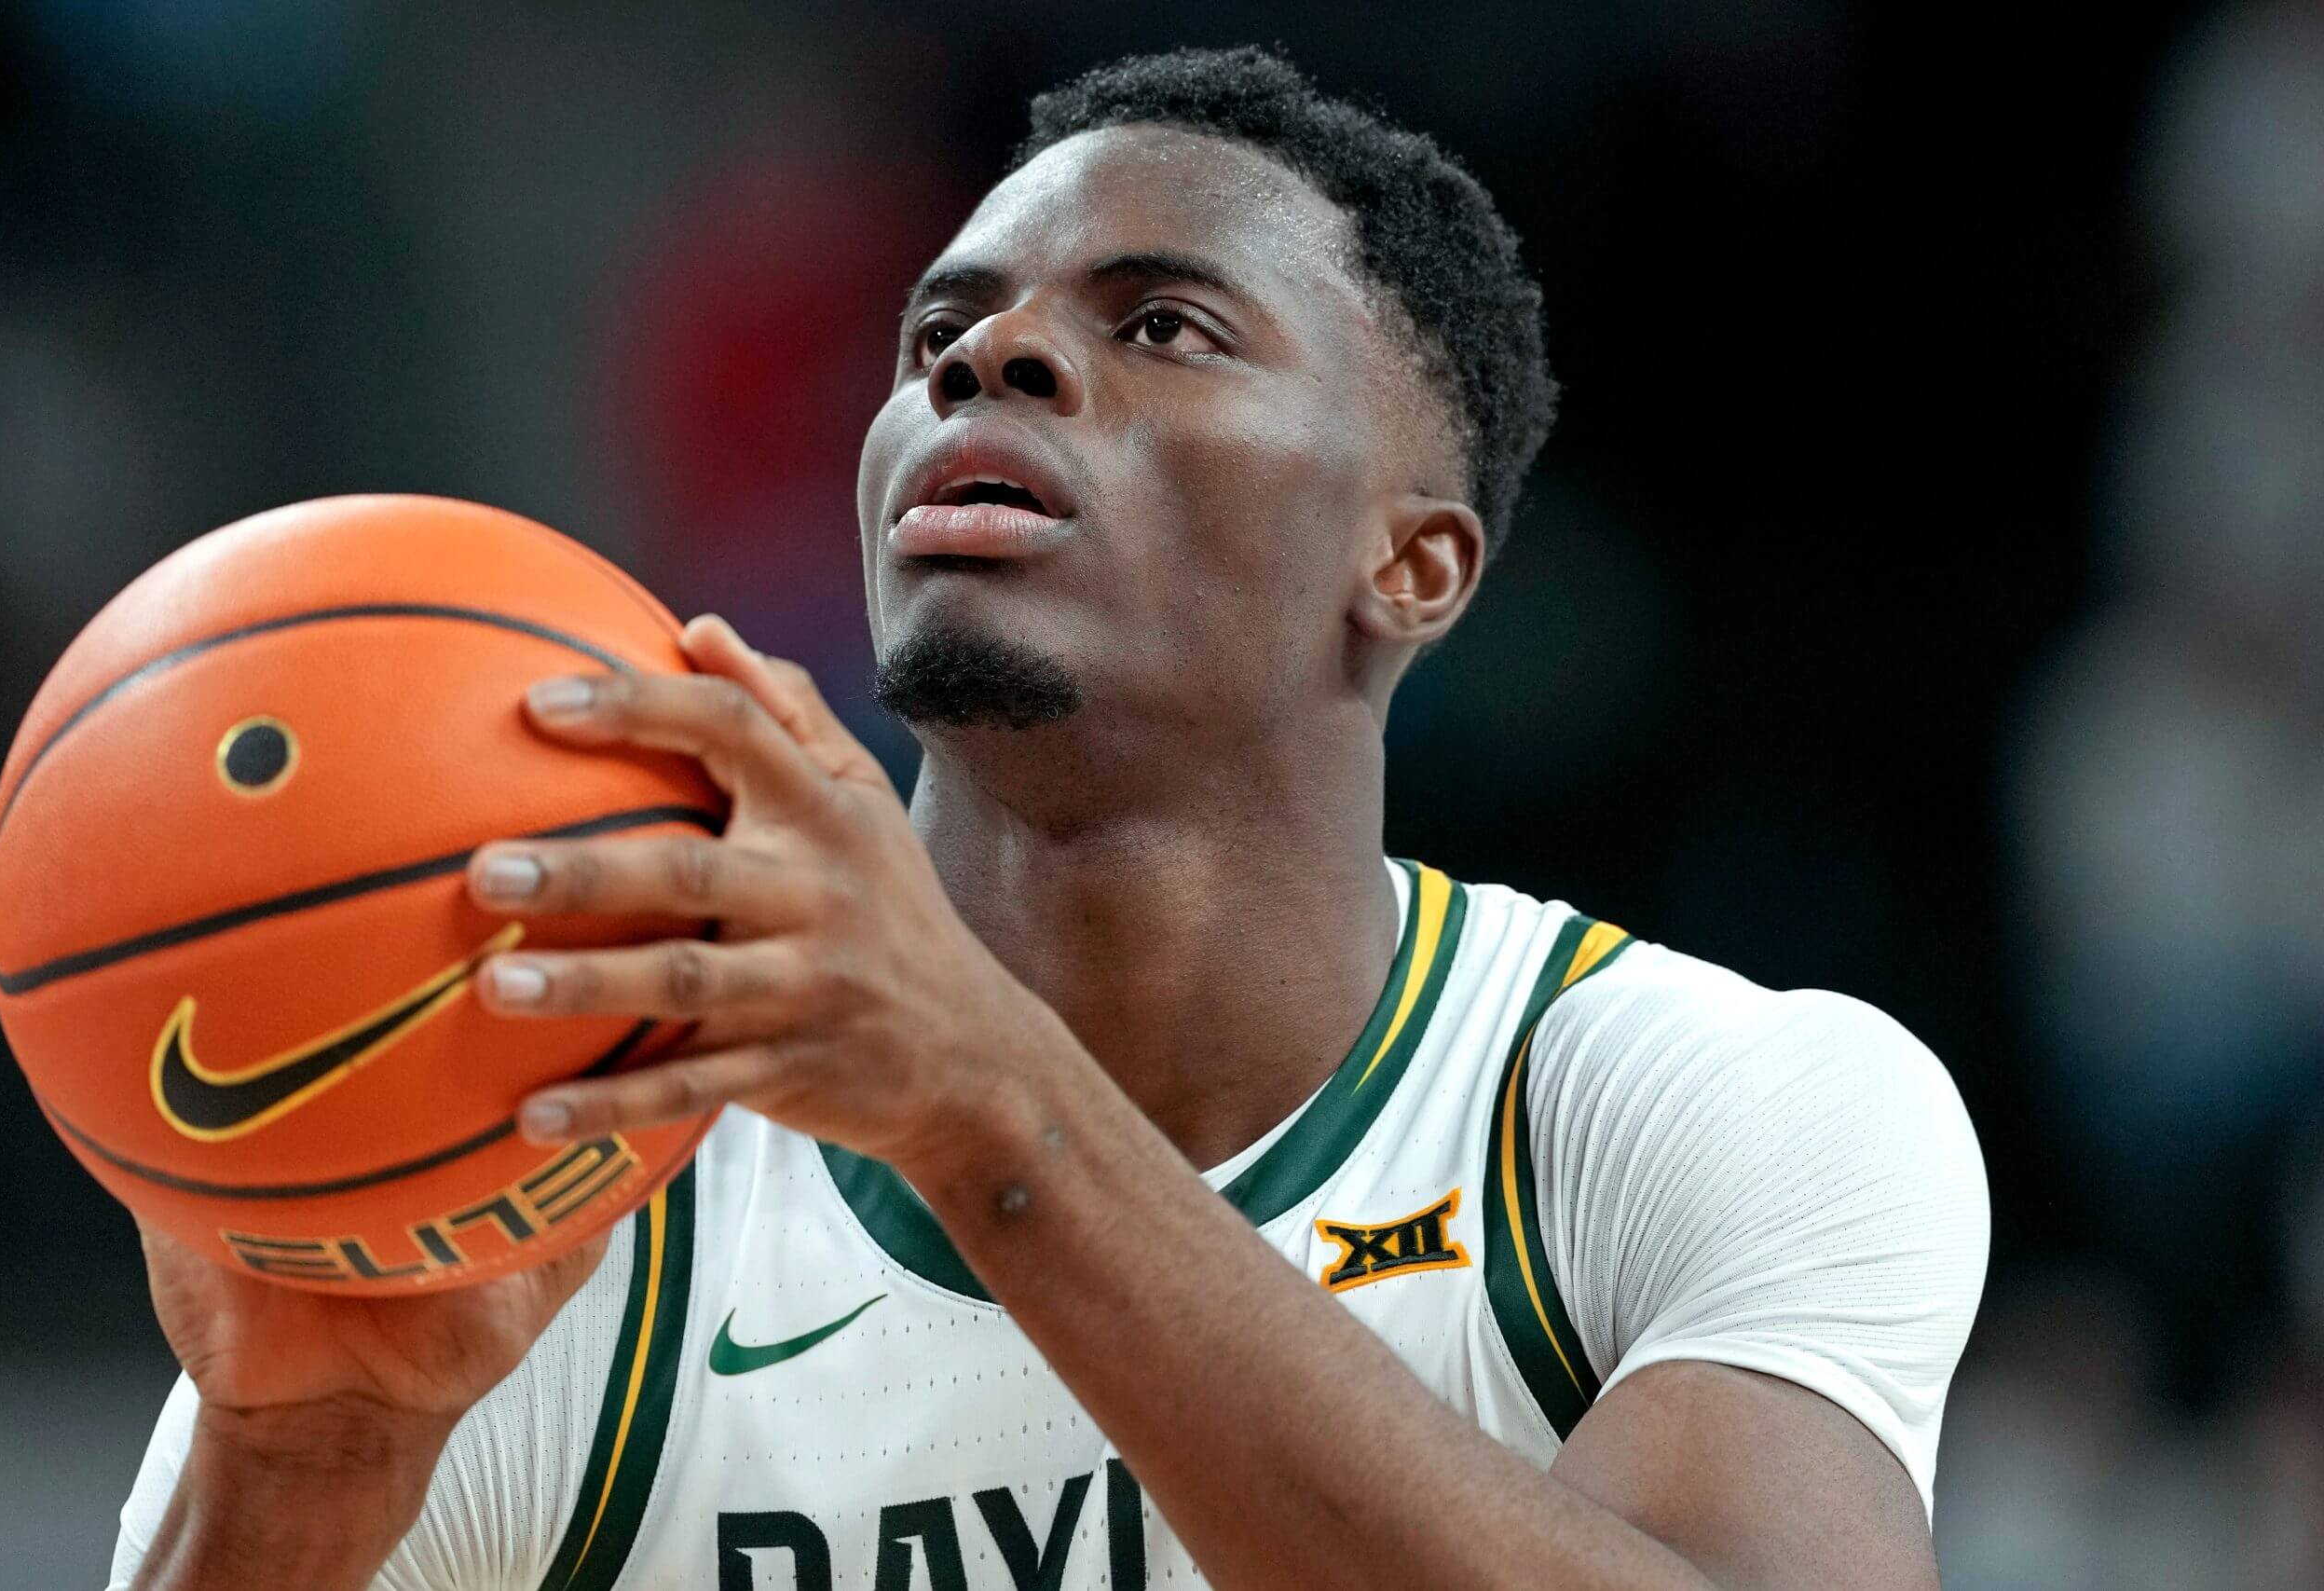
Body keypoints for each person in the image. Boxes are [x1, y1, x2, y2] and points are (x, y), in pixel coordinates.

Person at [112, 46, 1988, 1591]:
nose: (980, 360)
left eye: (1163, 324)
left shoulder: (1683, 1102)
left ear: (1407, 561)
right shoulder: (565, 1193)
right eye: (940, 326)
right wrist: (300, 1474)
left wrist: (988, 1108)